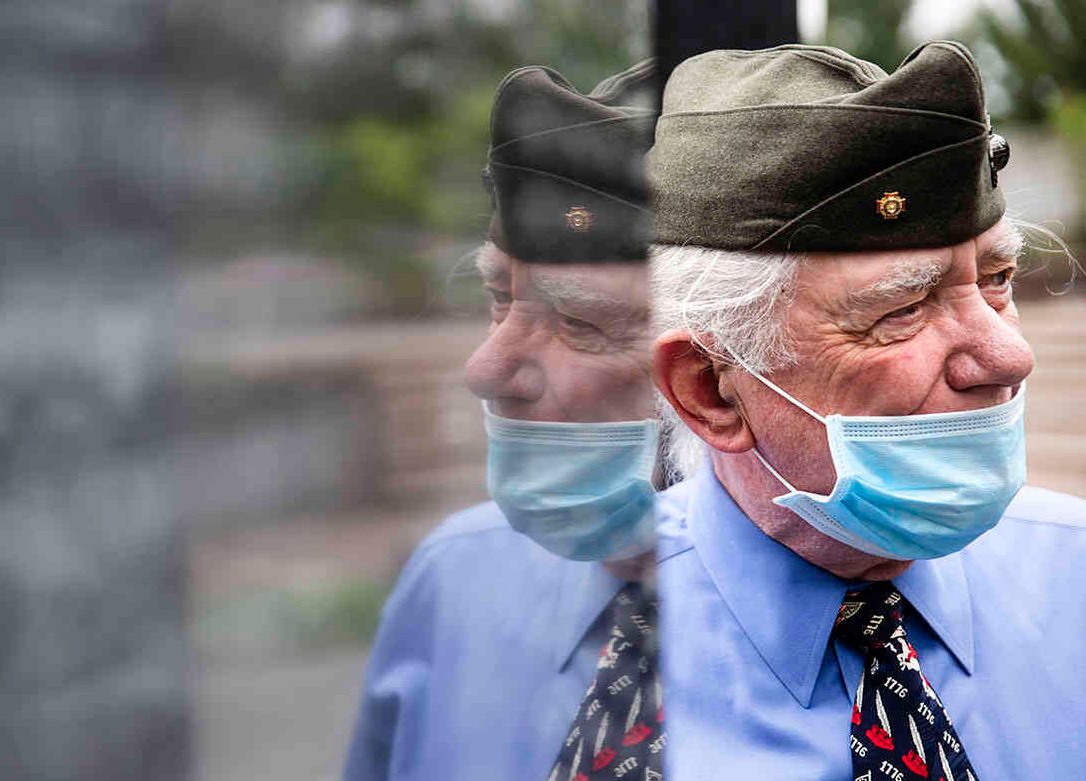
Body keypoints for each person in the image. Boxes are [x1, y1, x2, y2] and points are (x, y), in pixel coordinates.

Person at [645, 40, 1086, 779]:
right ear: (709, 388)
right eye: (903, 306)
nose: (1010, 357)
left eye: (997, 278)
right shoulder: (548, 648)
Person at [344, 60, 668, 781]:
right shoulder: (453, 579)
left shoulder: (912, 634)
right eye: (499, 295)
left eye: (581, 319)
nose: (483, 368)